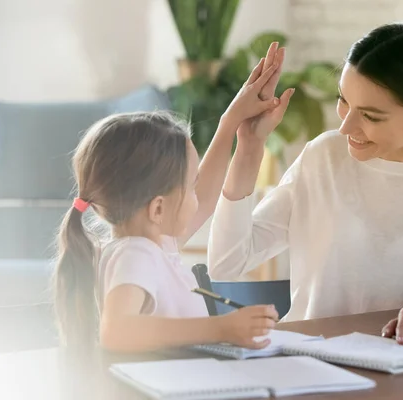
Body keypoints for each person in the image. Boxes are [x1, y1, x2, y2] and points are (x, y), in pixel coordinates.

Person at [208, 24, 403, 346]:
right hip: (311, 365)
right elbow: (227, 263)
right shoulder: (323, 157)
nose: (346, 127)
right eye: (343, 100)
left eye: (371, 116)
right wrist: (249, 146)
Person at [53, 43, 294, 352]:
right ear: (158, 208)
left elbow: (205, 197)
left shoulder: (152, 242)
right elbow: (117, 331)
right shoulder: (135, 254)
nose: (197, 193)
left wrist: (231, 121)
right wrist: (221, 327)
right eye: (189, 186)